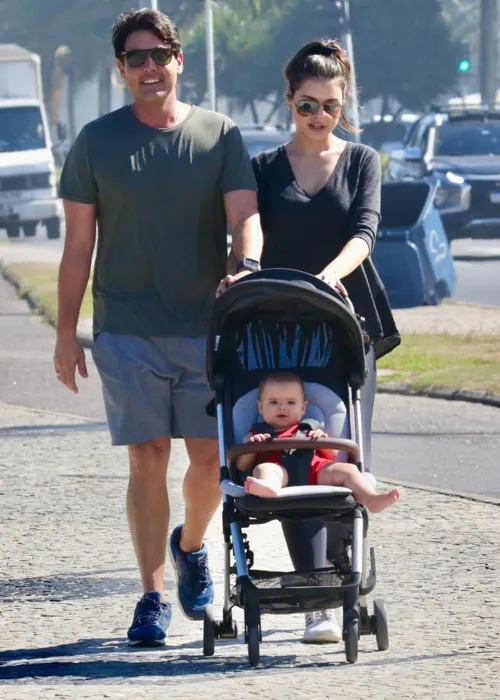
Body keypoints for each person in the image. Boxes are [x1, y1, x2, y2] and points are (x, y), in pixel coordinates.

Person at [53, 8, 263, 646]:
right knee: (147, 458)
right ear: (121, 70)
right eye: (136, 58)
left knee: (208, 461)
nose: (150, 67)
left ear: (178, 60)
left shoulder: (218, 133)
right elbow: (77, 245)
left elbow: (245, 218)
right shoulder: (96, 142)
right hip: (126, 326)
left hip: (206, 327)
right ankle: (151, 596)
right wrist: (67, 333)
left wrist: (248, 263)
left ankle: (190, 546)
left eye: (160, 55)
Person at [219, 39, 400, 644]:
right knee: (291, 450)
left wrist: (331, 274)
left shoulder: (362, 160)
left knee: (338, 448)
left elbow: (366, 230)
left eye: (328, 104)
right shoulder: (267, 167)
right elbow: (252, 229)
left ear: (342, 101)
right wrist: (244, 268)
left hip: (344, 320)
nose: (318, 115)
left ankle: (339, 586)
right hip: (275, 327)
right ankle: (318, 592)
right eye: (305, 105)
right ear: (289, 101)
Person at [236, 373, 400, 512]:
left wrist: (321, 441)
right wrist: (251, 447)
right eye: (273, 402)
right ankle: (269, 487)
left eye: (291, 402)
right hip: (279, 471)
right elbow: (242, 466)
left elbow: (334, 456)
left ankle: (370, 499)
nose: (282, 408)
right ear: (260, 407)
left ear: (303, 407)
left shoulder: (311, 426)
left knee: (348, 469)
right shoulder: (257, 432)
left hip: (315, 472)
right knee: (263, 469)